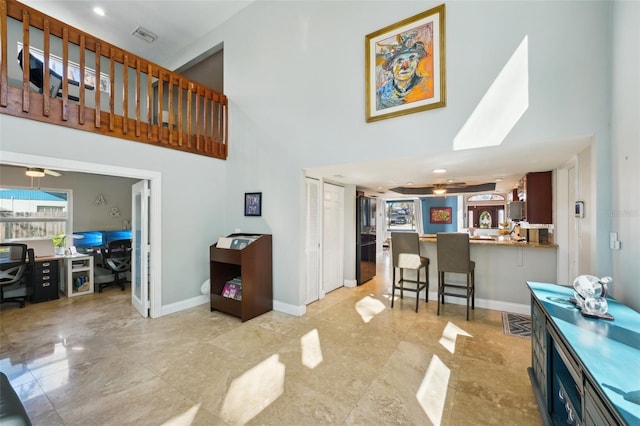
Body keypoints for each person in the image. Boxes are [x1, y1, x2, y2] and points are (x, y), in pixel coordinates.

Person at [376, 38, 432, 109]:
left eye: (411, 59)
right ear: (391, 66)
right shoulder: (379, 96)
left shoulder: (428, 84)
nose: (405, 66)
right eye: (399, 61)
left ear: (417, 62)